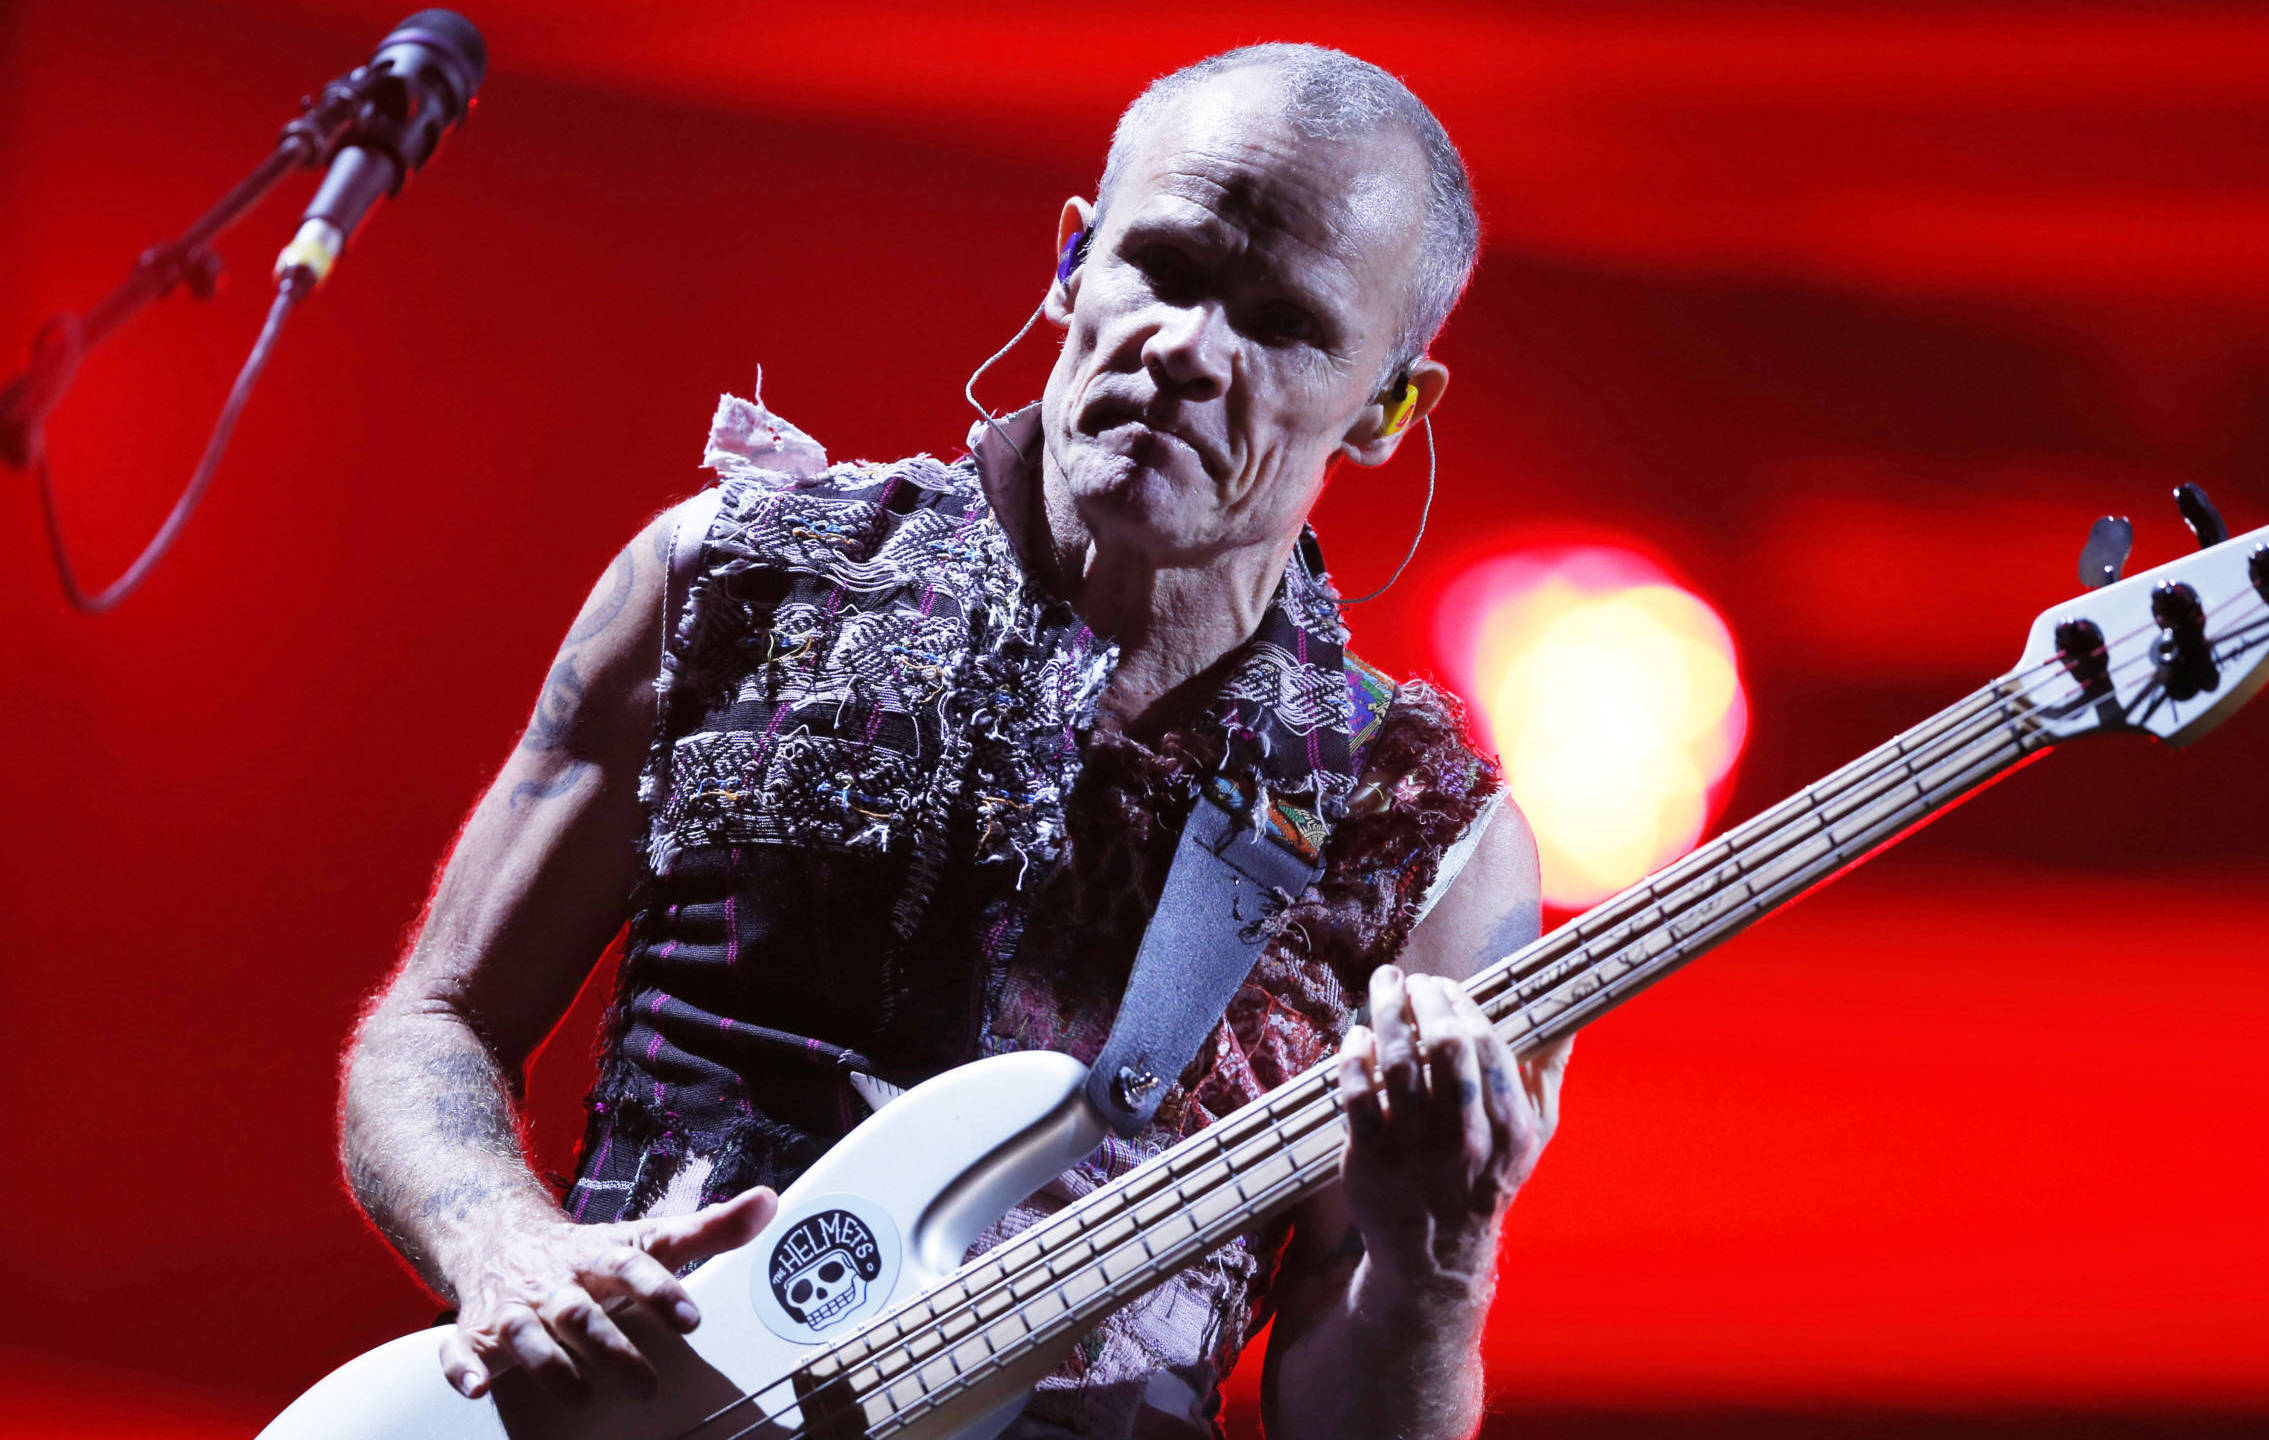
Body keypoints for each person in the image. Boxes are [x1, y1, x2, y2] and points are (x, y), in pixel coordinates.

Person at [338, 42, 1571, 1440]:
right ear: (1073, 260)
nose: (1188, 348)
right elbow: (434, 1022)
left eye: (1285, 323)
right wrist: (502, 1243)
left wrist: (1439, 1265)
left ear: (1390, 408)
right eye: (1162, 267)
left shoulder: (1423, 840)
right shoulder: (737, 575)